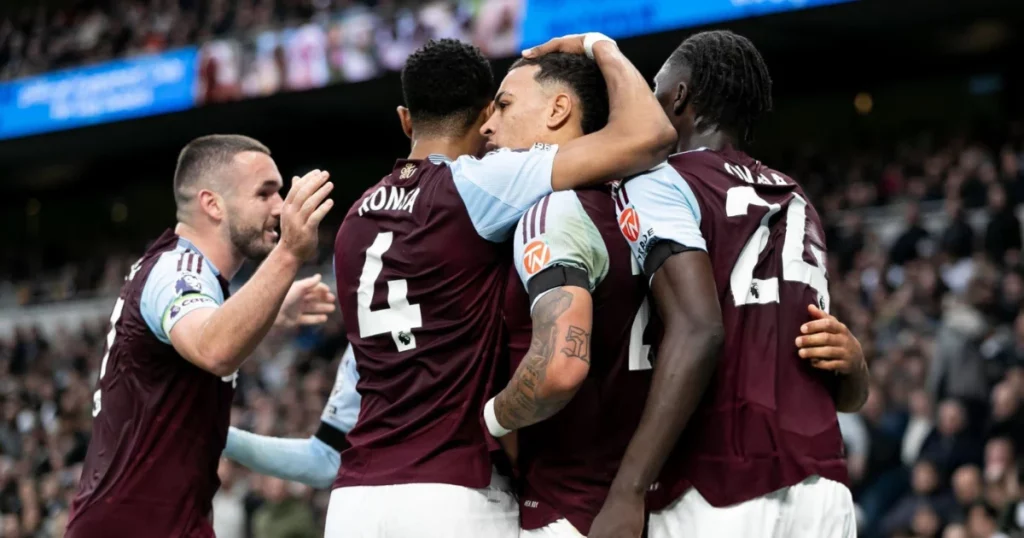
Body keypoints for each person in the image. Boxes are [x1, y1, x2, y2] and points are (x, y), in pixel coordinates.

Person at [328, 35, 675, 538]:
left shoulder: (352, 222)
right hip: (452, 486)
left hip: (354, 497)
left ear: (406, 119)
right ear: (484, 111)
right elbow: (648, 135)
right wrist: (600, 45)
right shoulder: (481, 183)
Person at [590, 30, 869, 538]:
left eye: (656, 88)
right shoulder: (794, 196)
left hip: (716, 477)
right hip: (822, 479)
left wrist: (627, 489)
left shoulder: (659, 180)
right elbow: (843, 389)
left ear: (678, 96)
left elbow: (700, 332)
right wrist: (858, 367)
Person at [65, 134, 337, 538]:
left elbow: (203, 332)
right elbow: (215, 347)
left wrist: (273, 308)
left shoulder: (186, 272)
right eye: (265, 193)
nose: (280, 207)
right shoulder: (178, 270)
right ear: (213, 205)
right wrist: (289, 255)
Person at [222, 344, 360, 488]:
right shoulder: (360, 346)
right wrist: (221, 436)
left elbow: (327, 460)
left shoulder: (366, 343)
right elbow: (328, 457)